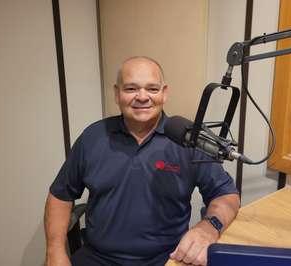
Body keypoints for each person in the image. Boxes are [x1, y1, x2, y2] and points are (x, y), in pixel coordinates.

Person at [44, 56, 240, 266]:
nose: (142, 97)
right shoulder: (93, 138)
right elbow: (60, 196)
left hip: (168, 258)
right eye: (131, 89)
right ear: (117, 94)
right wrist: (55, 251)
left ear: (164, 93)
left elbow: (226, 195)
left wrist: (208, 228)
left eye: (152, 89)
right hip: (98, 258)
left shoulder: (189, 139)